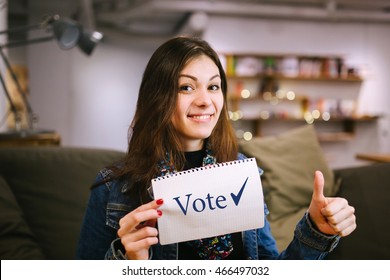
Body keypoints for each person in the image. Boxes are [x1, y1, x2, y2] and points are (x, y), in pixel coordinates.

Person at [76, 36, 356, 260]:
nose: (204, 101)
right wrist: (129, 263)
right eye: (186, 87)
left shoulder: (241, 171)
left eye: (213, 87)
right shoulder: (113, 187)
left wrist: (316, 230)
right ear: (157, 97)